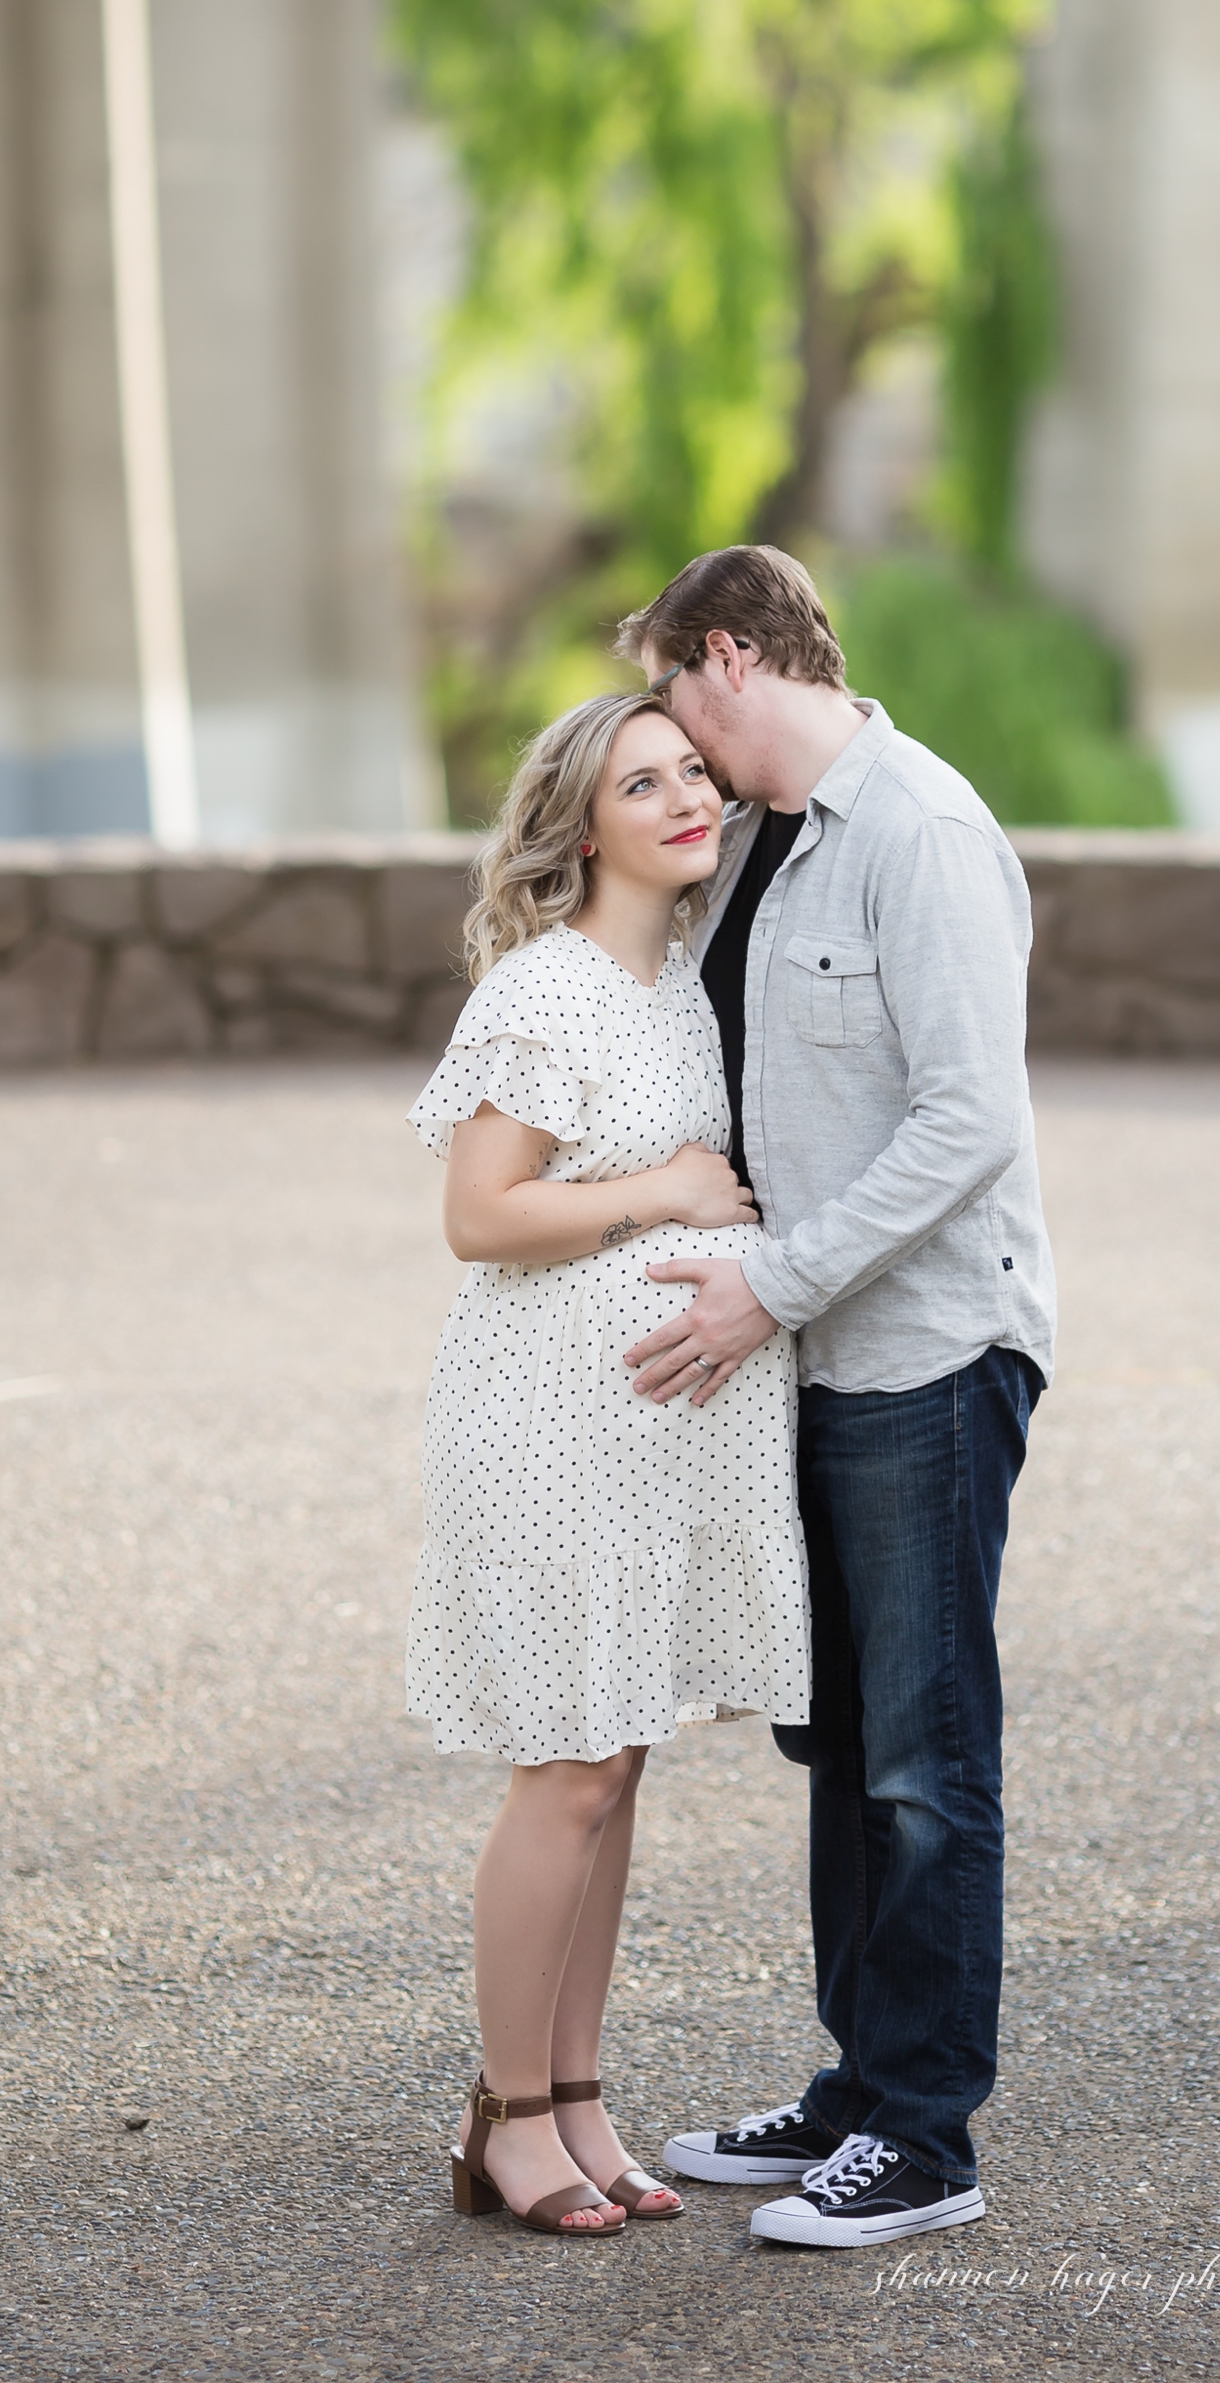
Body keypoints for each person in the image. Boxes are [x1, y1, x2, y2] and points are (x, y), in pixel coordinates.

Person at [617, 545, 1056, 2253]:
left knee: (924, 1763)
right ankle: (861, 2092)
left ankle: (926, 2141)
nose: (673, 735)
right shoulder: (760, 847)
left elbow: (969, 1123)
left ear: (732, 656)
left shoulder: (922, 832)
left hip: (924, 1357)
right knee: (846, 1746)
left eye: (674, 692)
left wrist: (772, 1285)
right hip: (806, 1361)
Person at [405, 691, 811, 2239]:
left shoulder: (681, 985)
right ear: (584, 827)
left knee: (617, 1759)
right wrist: (665, 1194)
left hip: (655, 1438)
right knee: (569, 1768)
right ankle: (506, 2117)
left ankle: (576, 2099)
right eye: (645, 783)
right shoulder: (550, 991)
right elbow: (480, 1214)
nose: (689, 797)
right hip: (548, 1433)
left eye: (696, 771)